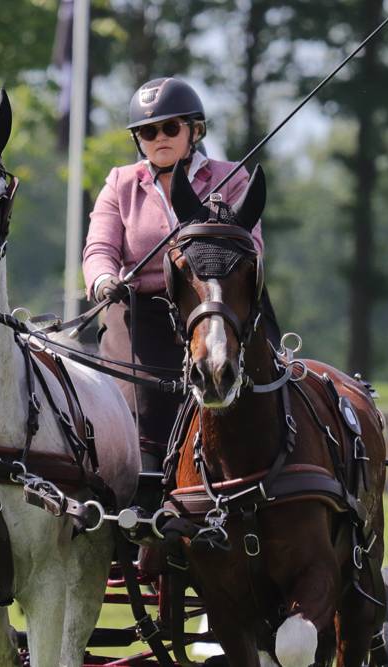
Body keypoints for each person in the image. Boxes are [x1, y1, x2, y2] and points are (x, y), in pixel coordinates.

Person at [82, 76, 271, 471]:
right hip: (142, 312)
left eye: (170, 127)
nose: (159, 138)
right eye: (148, 132)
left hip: (214, 303)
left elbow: (251, 245)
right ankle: (143, 474)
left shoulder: (231, 177)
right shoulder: (120, 183)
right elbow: (100, 247)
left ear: (194, 131)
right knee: (139, 404)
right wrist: (103, 279)